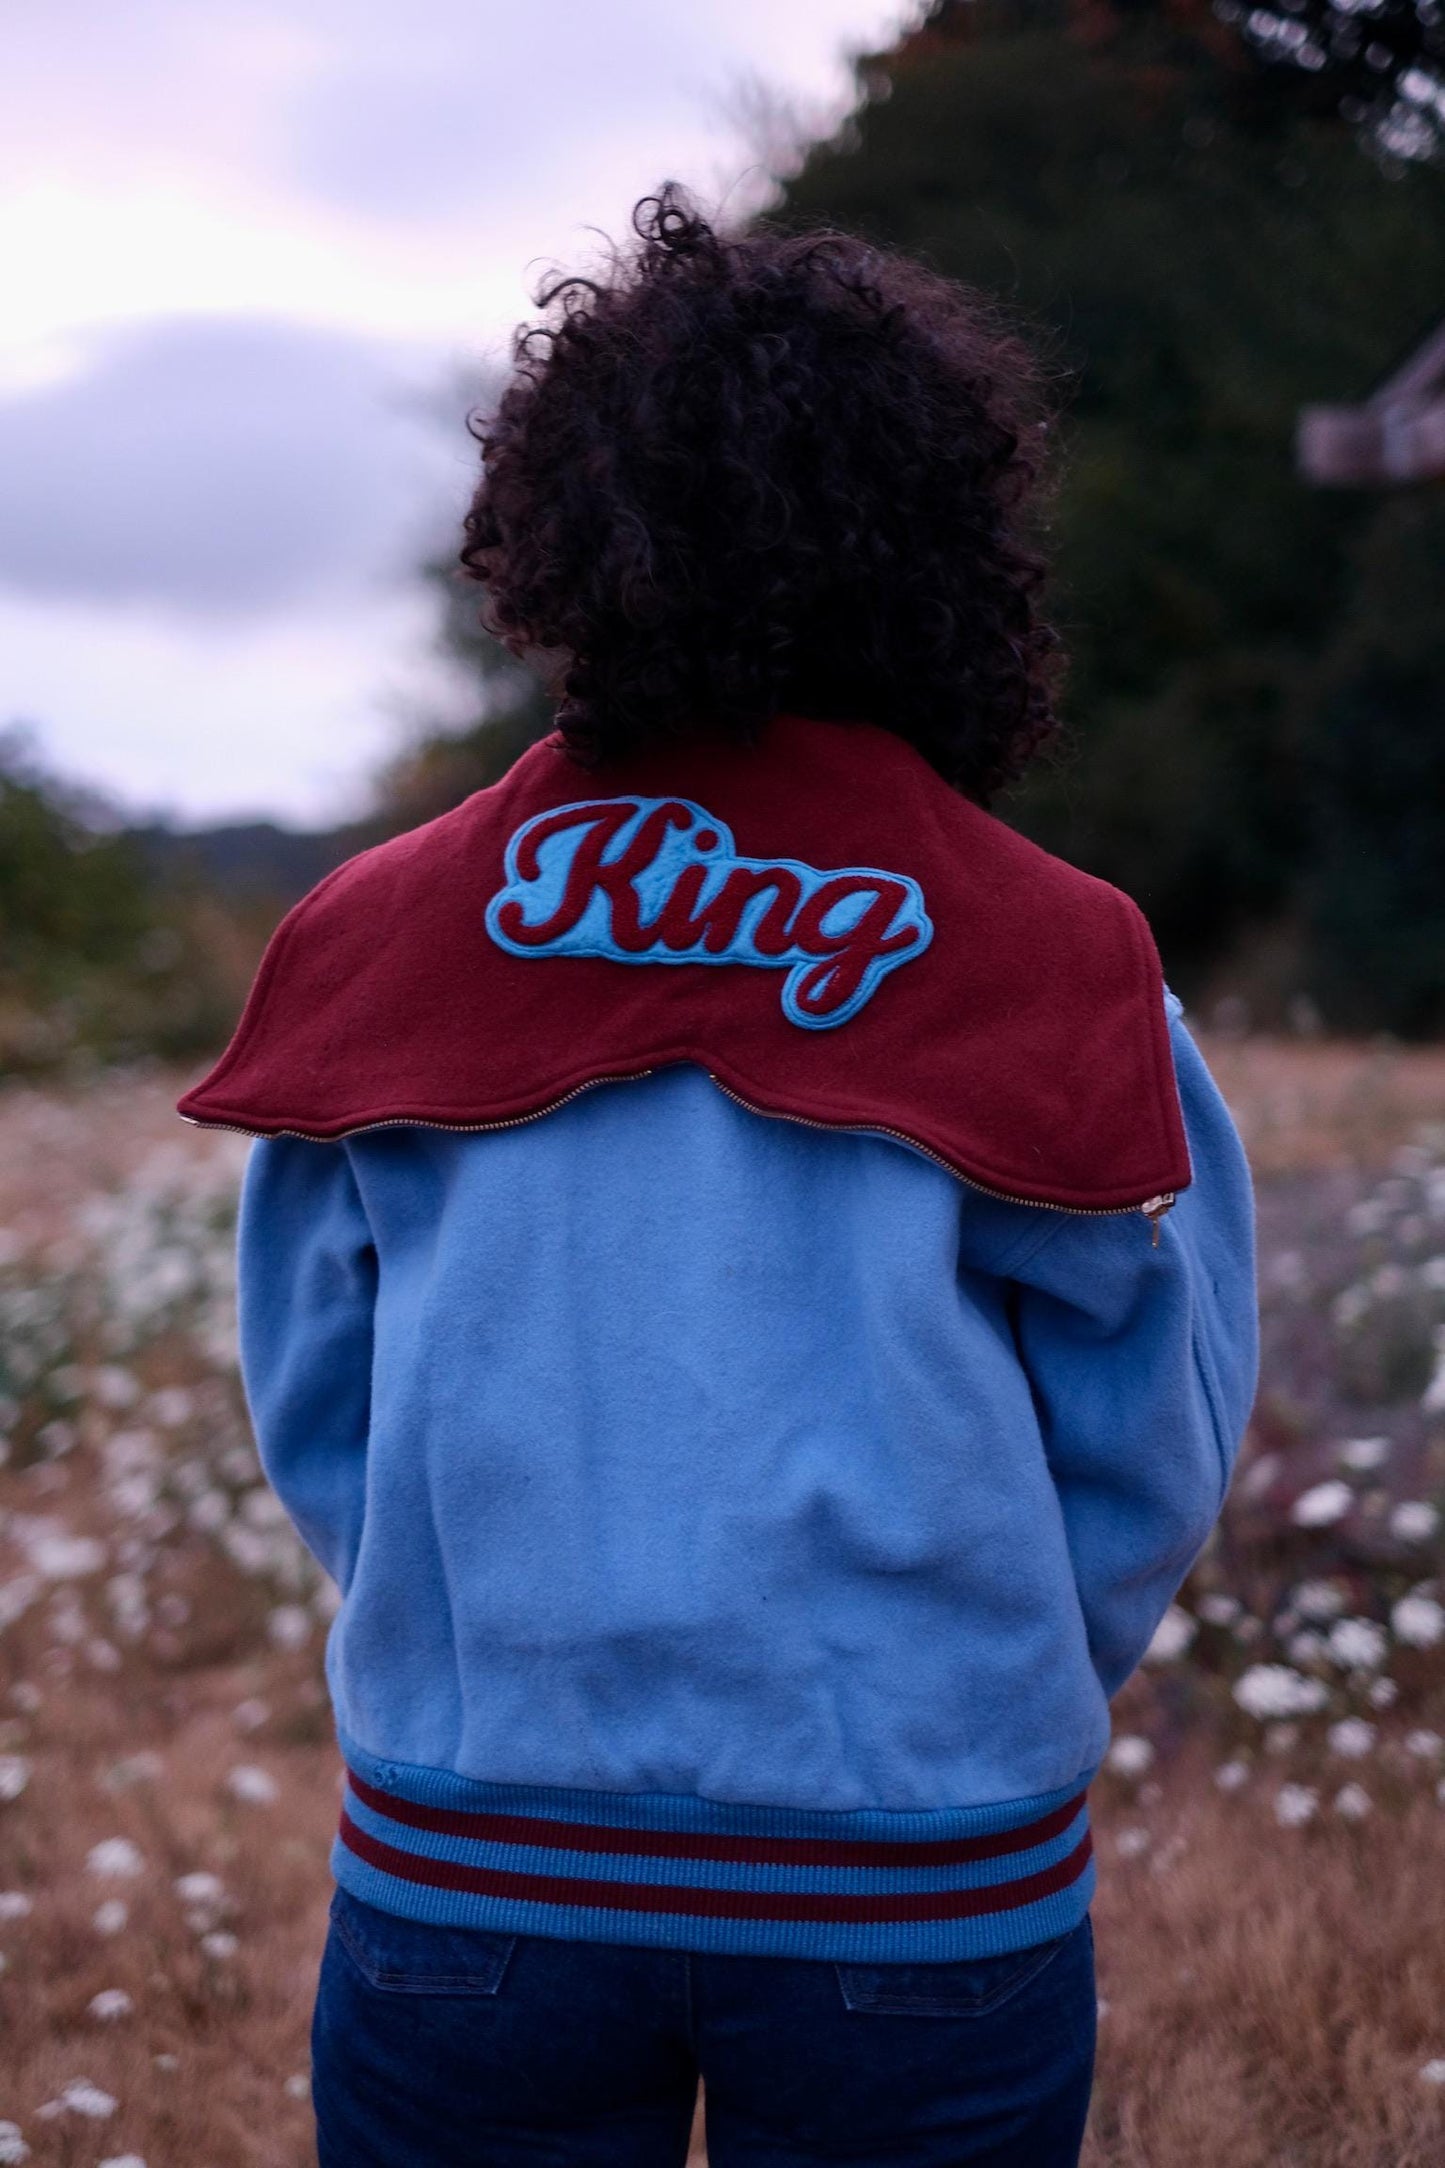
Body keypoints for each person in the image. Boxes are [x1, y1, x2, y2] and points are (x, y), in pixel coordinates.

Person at [178, 185, 1259, 2168]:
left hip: (471, 1850)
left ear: (555, 533)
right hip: (924, 1870)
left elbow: (316, 1399)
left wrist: (476, 1625)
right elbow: (1151, 1437)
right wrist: (987, 1672)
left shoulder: (370, 929)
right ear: (947, 548)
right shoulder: (1059, 954)